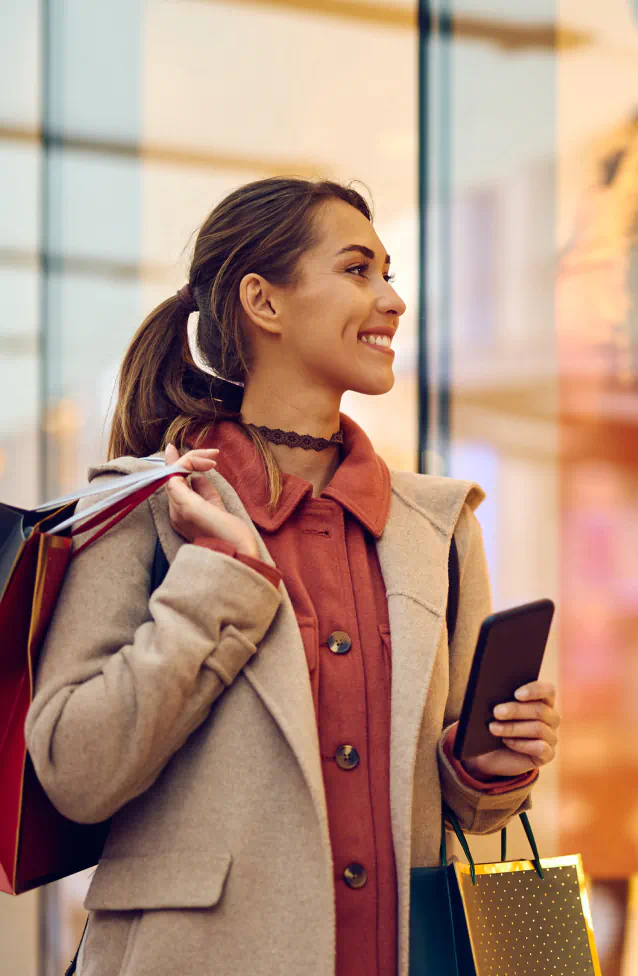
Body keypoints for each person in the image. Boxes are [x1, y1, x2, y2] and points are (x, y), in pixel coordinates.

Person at [25, 177, 560, 976]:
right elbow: (76, 770)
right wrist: (217, 581)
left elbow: (460, 803)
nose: (392, 300)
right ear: (262, 302)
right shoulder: (144, 504)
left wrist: (490, 762)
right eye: (357, 270)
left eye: (389, 273)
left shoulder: (440, 528)